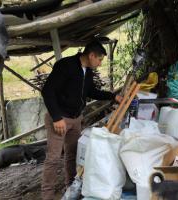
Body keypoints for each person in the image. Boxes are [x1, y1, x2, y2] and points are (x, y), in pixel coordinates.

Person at [41, 40, 122, 200]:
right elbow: (47, 91)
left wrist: (113, 96)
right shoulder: (65, 66)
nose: (99, 64)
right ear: (91, 55)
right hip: (60, 118)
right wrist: (56, 118)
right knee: (53, 158)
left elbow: (92, 91)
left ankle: (71, 187)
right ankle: (47, 195)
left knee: (72, 155)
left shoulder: (88, 71)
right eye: (99, 60)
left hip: (76, 118)